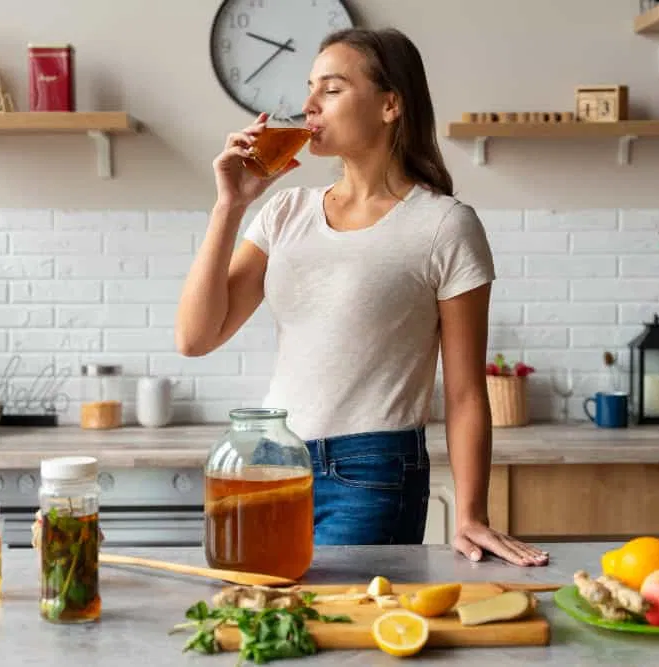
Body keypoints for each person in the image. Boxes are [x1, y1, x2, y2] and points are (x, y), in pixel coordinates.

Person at [175, 26, 548, 567]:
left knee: (344, 616)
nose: (308, 105)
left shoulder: (444, 225)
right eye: (309, 88)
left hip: (372, 472)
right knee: (267, 608)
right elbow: (195, 337)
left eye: (331, 89)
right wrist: (228, 206)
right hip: (274, 461)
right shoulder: (285, 211)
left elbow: (466, 392)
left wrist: (471, 514)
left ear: (390, 105)